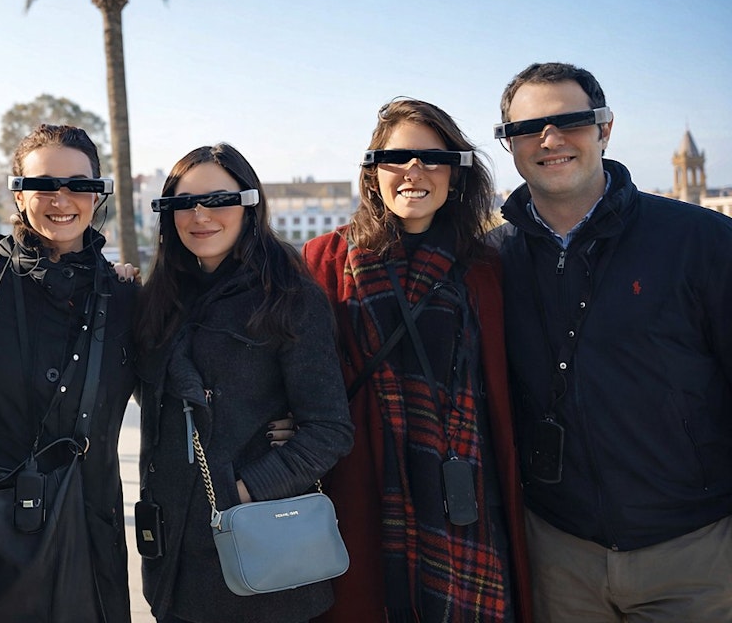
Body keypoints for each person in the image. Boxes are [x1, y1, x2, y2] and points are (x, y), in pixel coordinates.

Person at [493, 62, 732, 621]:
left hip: (694, 553)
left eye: (571, 120)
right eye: (529, 128)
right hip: (558, 554)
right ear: (510, 145)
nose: (550, 139)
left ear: (605, 129)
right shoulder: (491, 261)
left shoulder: (701, 241)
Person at [302, 99, 531, 622]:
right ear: (373, 172)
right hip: (361, 490)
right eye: (397, 158)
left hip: (465, 492)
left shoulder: (486, 268)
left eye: (432, 158)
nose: (413, 172)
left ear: (456, 172)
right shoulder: (325, 260)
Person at [134, 143, 355, 623]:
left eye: (218, 200)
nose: (200, 215)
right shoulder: (159, 300)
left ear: (250, 204)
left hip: (263, 559)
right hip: (173, 560)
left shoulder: (289, 298)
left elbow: (329, 429)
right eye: (183, 203)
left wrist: (243, 490)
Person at [0, 124, 137, 623]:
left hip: (91, 540)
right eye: (44, 185)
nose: (61, 199)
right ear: (18, 193)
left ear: (99, 194)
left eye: (79, 185)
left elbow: (186, 384)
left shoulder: (126, 299)